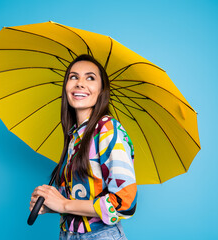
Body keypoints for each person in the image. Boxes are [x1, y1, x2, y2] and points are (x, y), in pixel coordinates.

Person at [30, 54, 137, 239]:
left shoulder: (108, 130)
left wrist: (64, 205)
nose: (80, 83)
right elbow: (81, 197)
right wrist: (50, 204)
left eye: (90, 78)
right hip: (67, 235)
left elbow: (125, 203)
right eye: (73, 77)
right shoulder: (74, 136)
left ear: (102, 90)